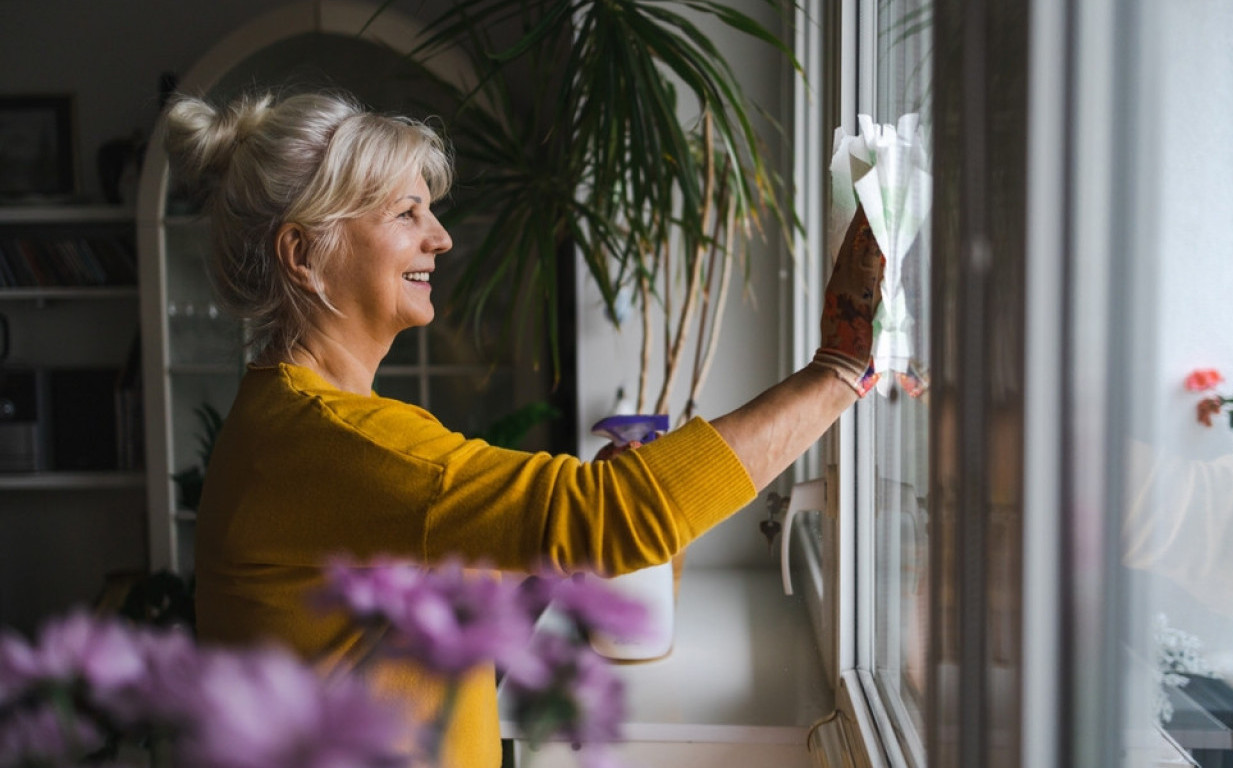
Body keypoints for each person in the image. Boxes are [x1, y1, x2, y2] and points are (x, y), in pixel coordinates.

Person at [163, 89, 883, 768]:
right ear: (303, 254)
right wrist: (840, 367)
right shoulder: (335, 439)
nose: (440, 238)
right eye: (406, 213)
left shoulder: (293, 419)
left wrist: (544, 539)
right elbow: (614, 520)